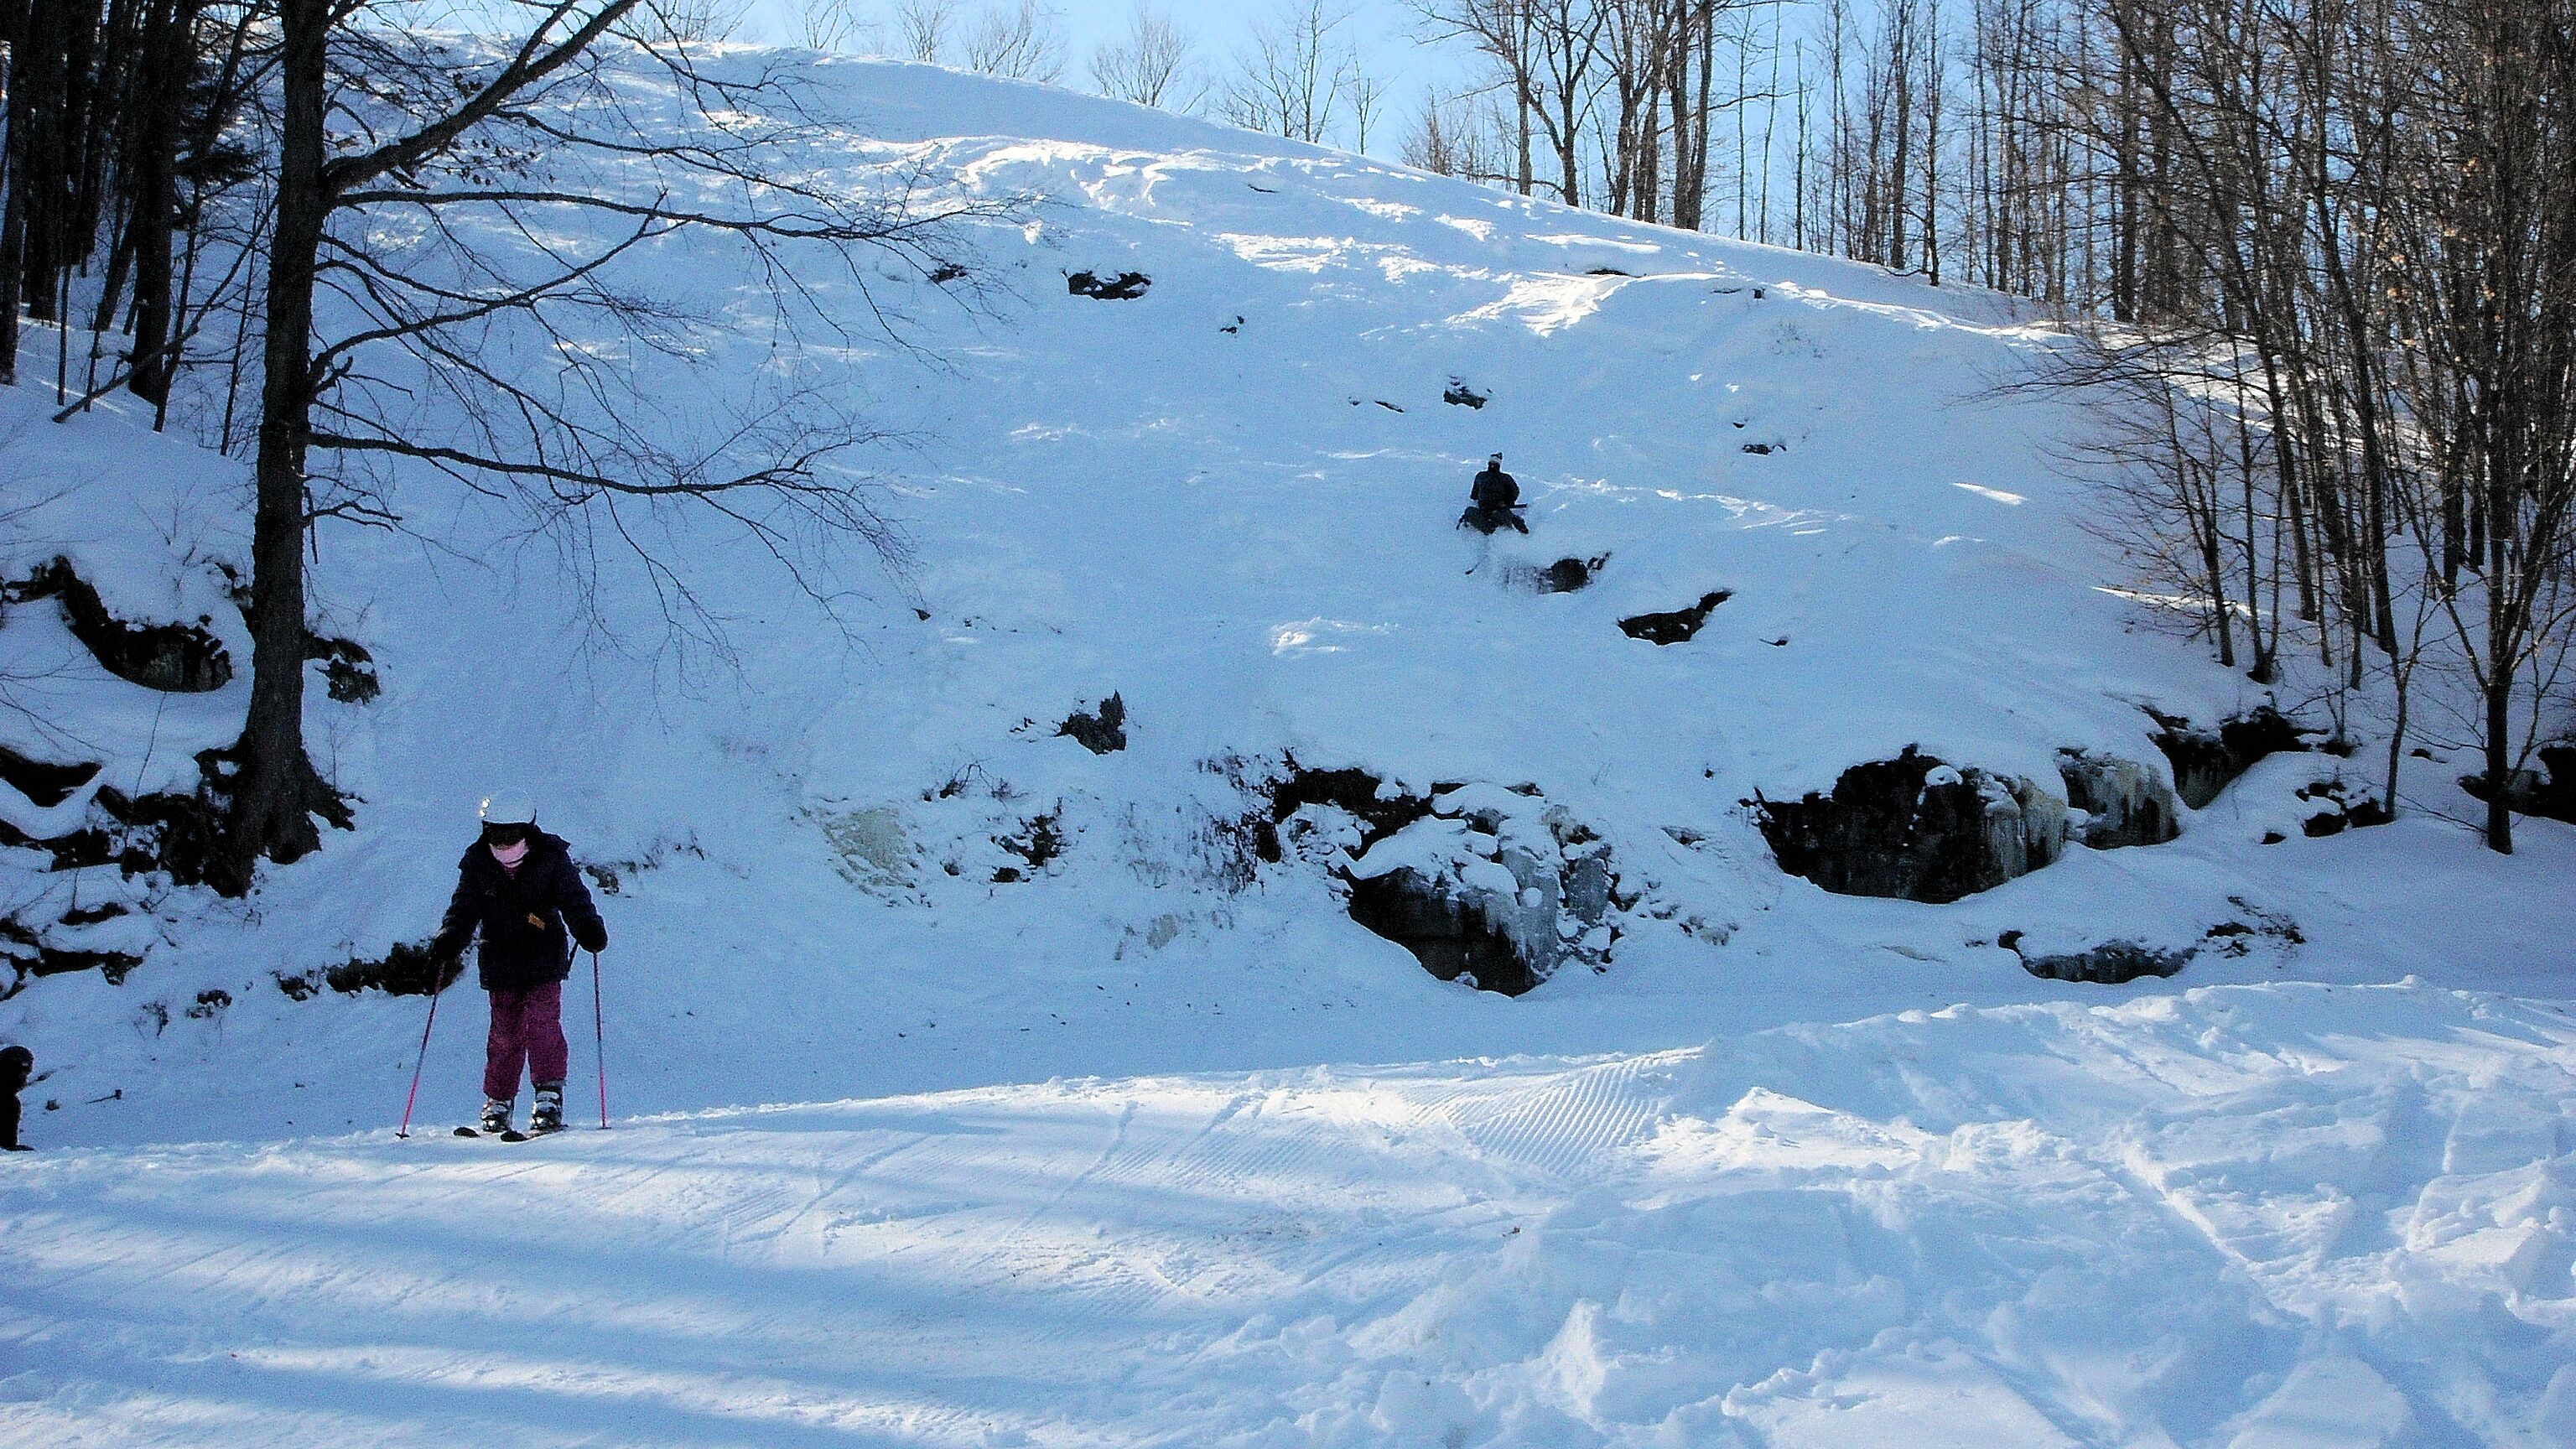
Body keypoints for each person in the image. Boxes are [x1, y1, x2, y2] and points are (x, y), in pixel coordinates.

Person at [432, 789, 607, 1135]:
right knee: (505, 1034)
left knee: (543, 1025)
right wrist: (452, 934)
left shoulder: (551, 858)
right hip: (500, 958)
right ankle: (498, 1100)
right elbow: (464, 906)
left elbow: (573, 898)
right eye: (495, 832)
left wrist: (587, 926)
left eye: (510, 833)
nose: (502, 841)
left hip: (543, 954)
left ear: (527, 830)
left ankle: (548, 1096)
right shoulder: (477, 863)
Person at [1461, 453, 1529, 535]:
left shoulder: (1505, 478)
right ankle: (1490, 528)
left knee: (1505, 516)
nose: (1493, 465)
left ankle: (1514, 522)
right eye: (1491, 463)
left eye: (1495, 463)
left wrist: (1508, 502)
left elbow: (1515, 491)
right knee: (1469, 512)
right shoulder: (1481, 476)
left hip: (1498, 509)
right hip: (1483, 510)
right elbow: (1474, 495)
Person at [2, 1044, 32, 1150]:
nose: (24, 1080)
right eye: (21, 1074)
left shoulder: (9, 1100)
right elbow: (6, 1146)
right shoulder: (9, 1103)